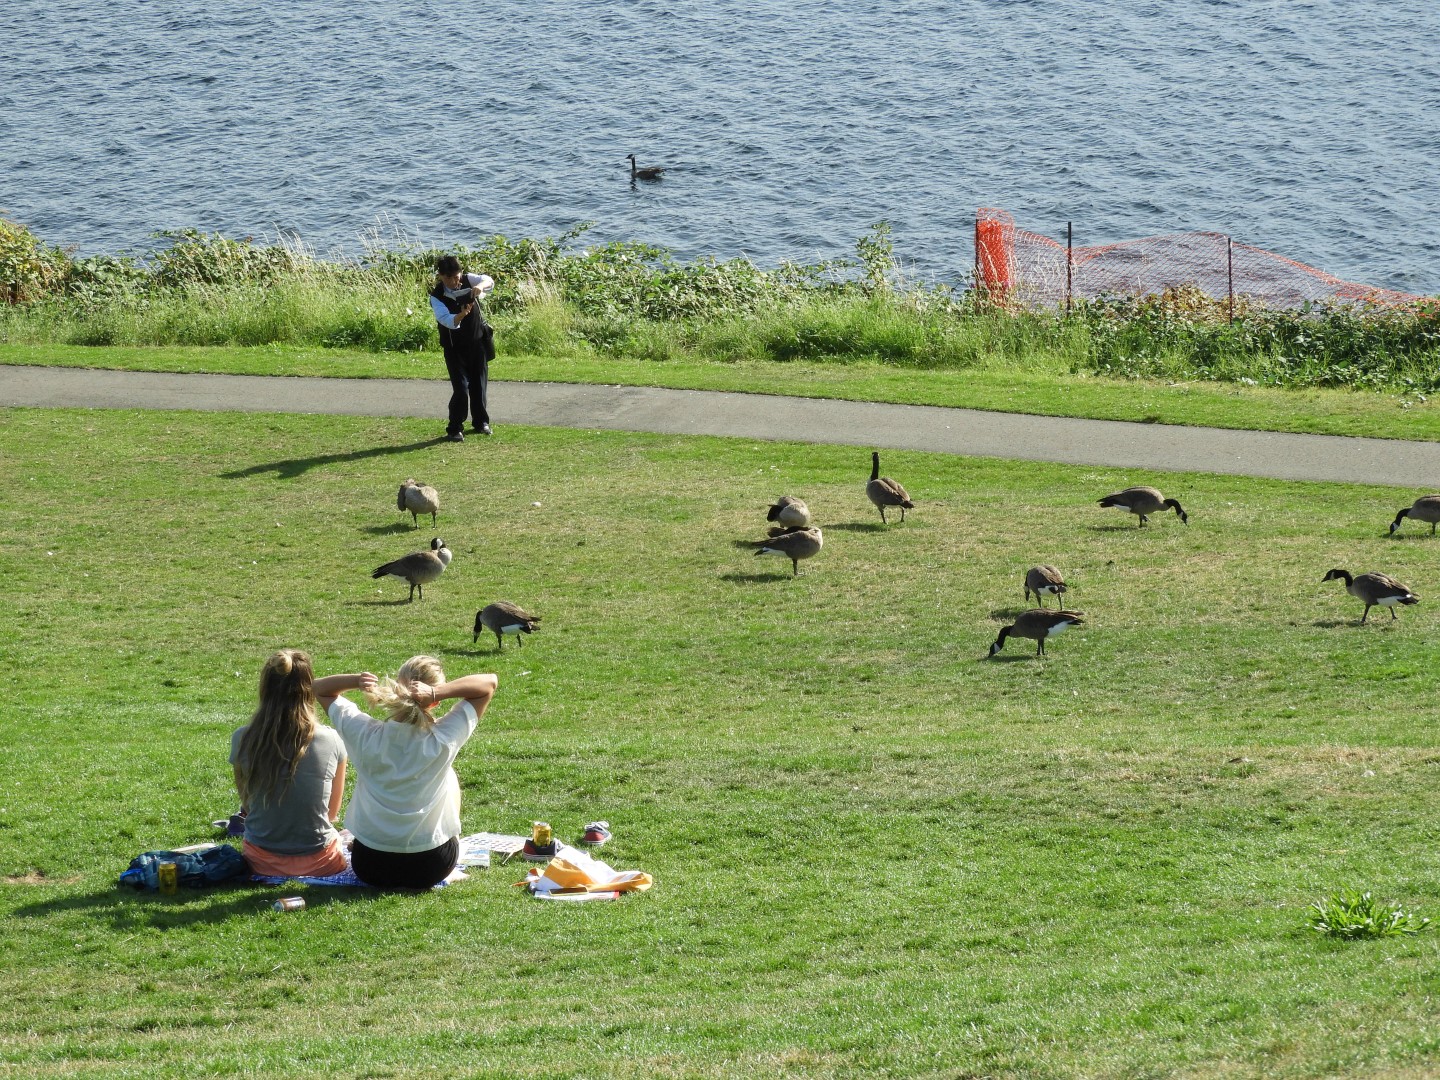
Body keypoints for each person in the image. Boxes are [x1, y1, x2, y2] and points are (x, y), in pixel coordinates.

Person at [314, 658, 497, 890]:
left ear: (396, 691)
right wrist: (437, 692)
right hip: (432, 866)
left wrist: (355, 681)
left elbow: (320, 689)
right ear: (433, 703)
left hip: (370, 866)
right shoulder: (443, 738)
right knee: (448, 773)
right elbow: (489, 683)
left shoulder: (364, 734)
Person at [230, 650, 350, 878]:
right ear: (309, 689)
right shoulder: (332, 740)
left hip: (260, 863)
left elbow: (247, 805)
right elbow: (332, 813)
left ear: (265, 688)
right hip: (321, 863)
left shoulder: (242, 738)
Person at [428, 255, 496, 442]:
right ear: (440, 276)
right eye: (449, 277)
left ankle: (481, 422)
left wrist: (479, 288)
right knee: (461, 389)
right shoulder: (437, 296)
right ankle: (455, 427)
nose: (454, 281)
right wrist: (461, 315)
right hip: (454, 348)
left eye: (457, 276)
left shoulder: (468, 280)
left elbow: (488, 281)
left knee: (479, 384)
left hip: (477, 343)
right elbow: (445, 320)